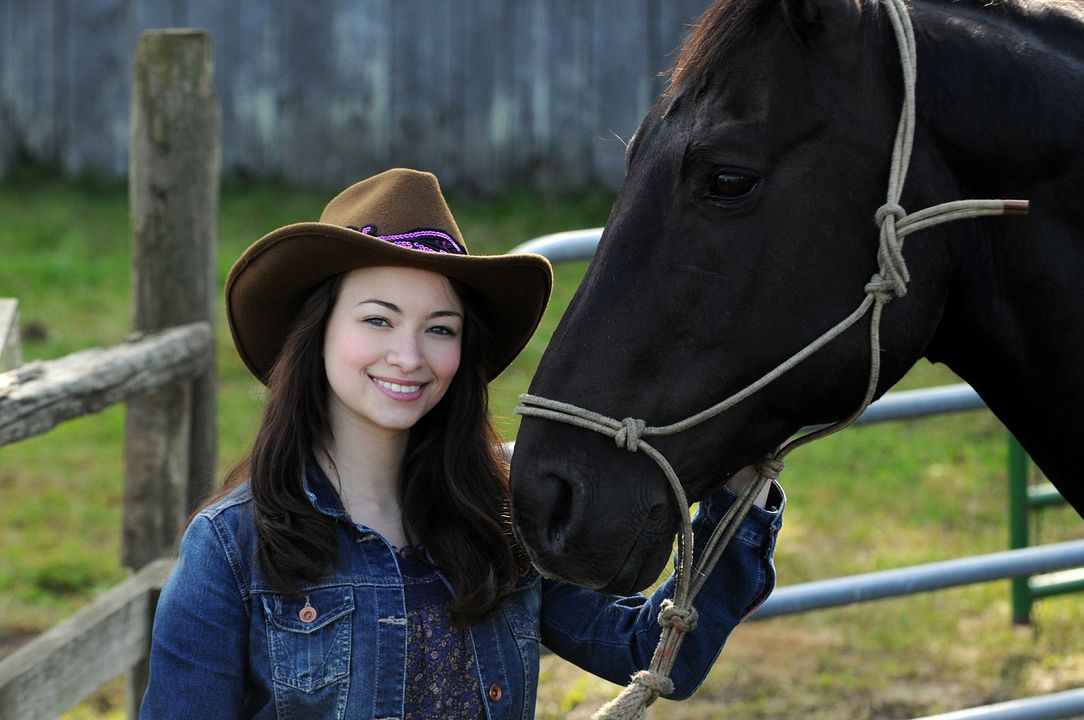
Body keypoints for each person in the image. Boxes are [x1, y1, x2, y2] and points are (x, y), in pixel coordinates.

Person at [140, 168, 785, 719]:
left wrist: (741, 493)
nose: (408, 356)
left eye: (440, 329)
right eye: (377, 320)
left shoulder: (502, 513)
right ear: (318, 334)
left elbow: (648, 650)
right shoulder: (233, 548)